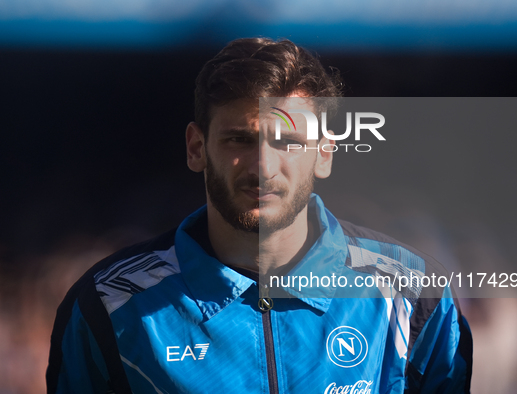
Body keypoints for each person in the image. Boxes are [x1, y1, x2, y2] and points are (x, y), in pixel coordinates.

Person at [47, 37, 472, 394]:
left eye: (287, 141)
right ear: (197, 148)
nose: (262, 167)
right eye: (239, 139)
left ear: (324, 153)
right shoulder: (110, 303)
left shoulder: (411, 294)